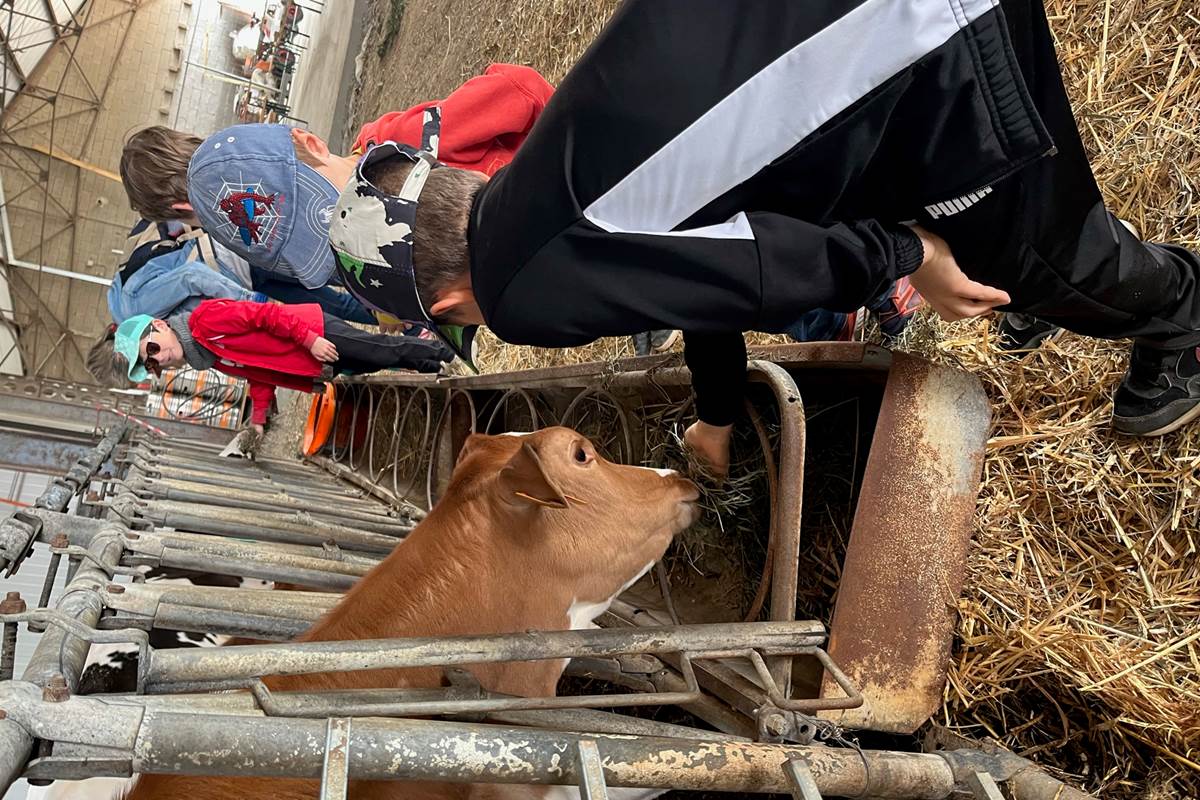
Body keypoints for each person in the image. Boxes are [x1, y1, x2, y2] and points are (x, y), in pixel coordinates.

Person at [325, 0, 1200, 478]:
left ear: (445, 303)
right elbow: (686, 278)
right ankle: (1033, 224)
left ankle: (1180, 317)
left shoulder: (521, 291)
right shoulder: (529, 189)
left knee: (1044, 264)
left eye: (455, 322)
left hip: (913, 40)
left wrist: (912, 261)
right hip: (852, 33)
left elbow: (755, 271)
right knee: (1014, 214)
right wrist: (713, 416)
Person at [89, 299, 452, 433]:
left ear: (160, 325)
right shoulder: (205, 354)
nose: (159, 358)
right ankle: (436, 366)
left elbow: (267, 314)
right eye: (151, 364)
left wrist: (309, 339)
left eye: (151, 348)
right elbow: (255, 375)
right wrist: (258, 419)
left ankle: (445, 355)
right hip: (308, 361)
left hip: (314, 334)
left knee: (381, 351)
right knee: (368, 365)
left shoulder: (205, 322)